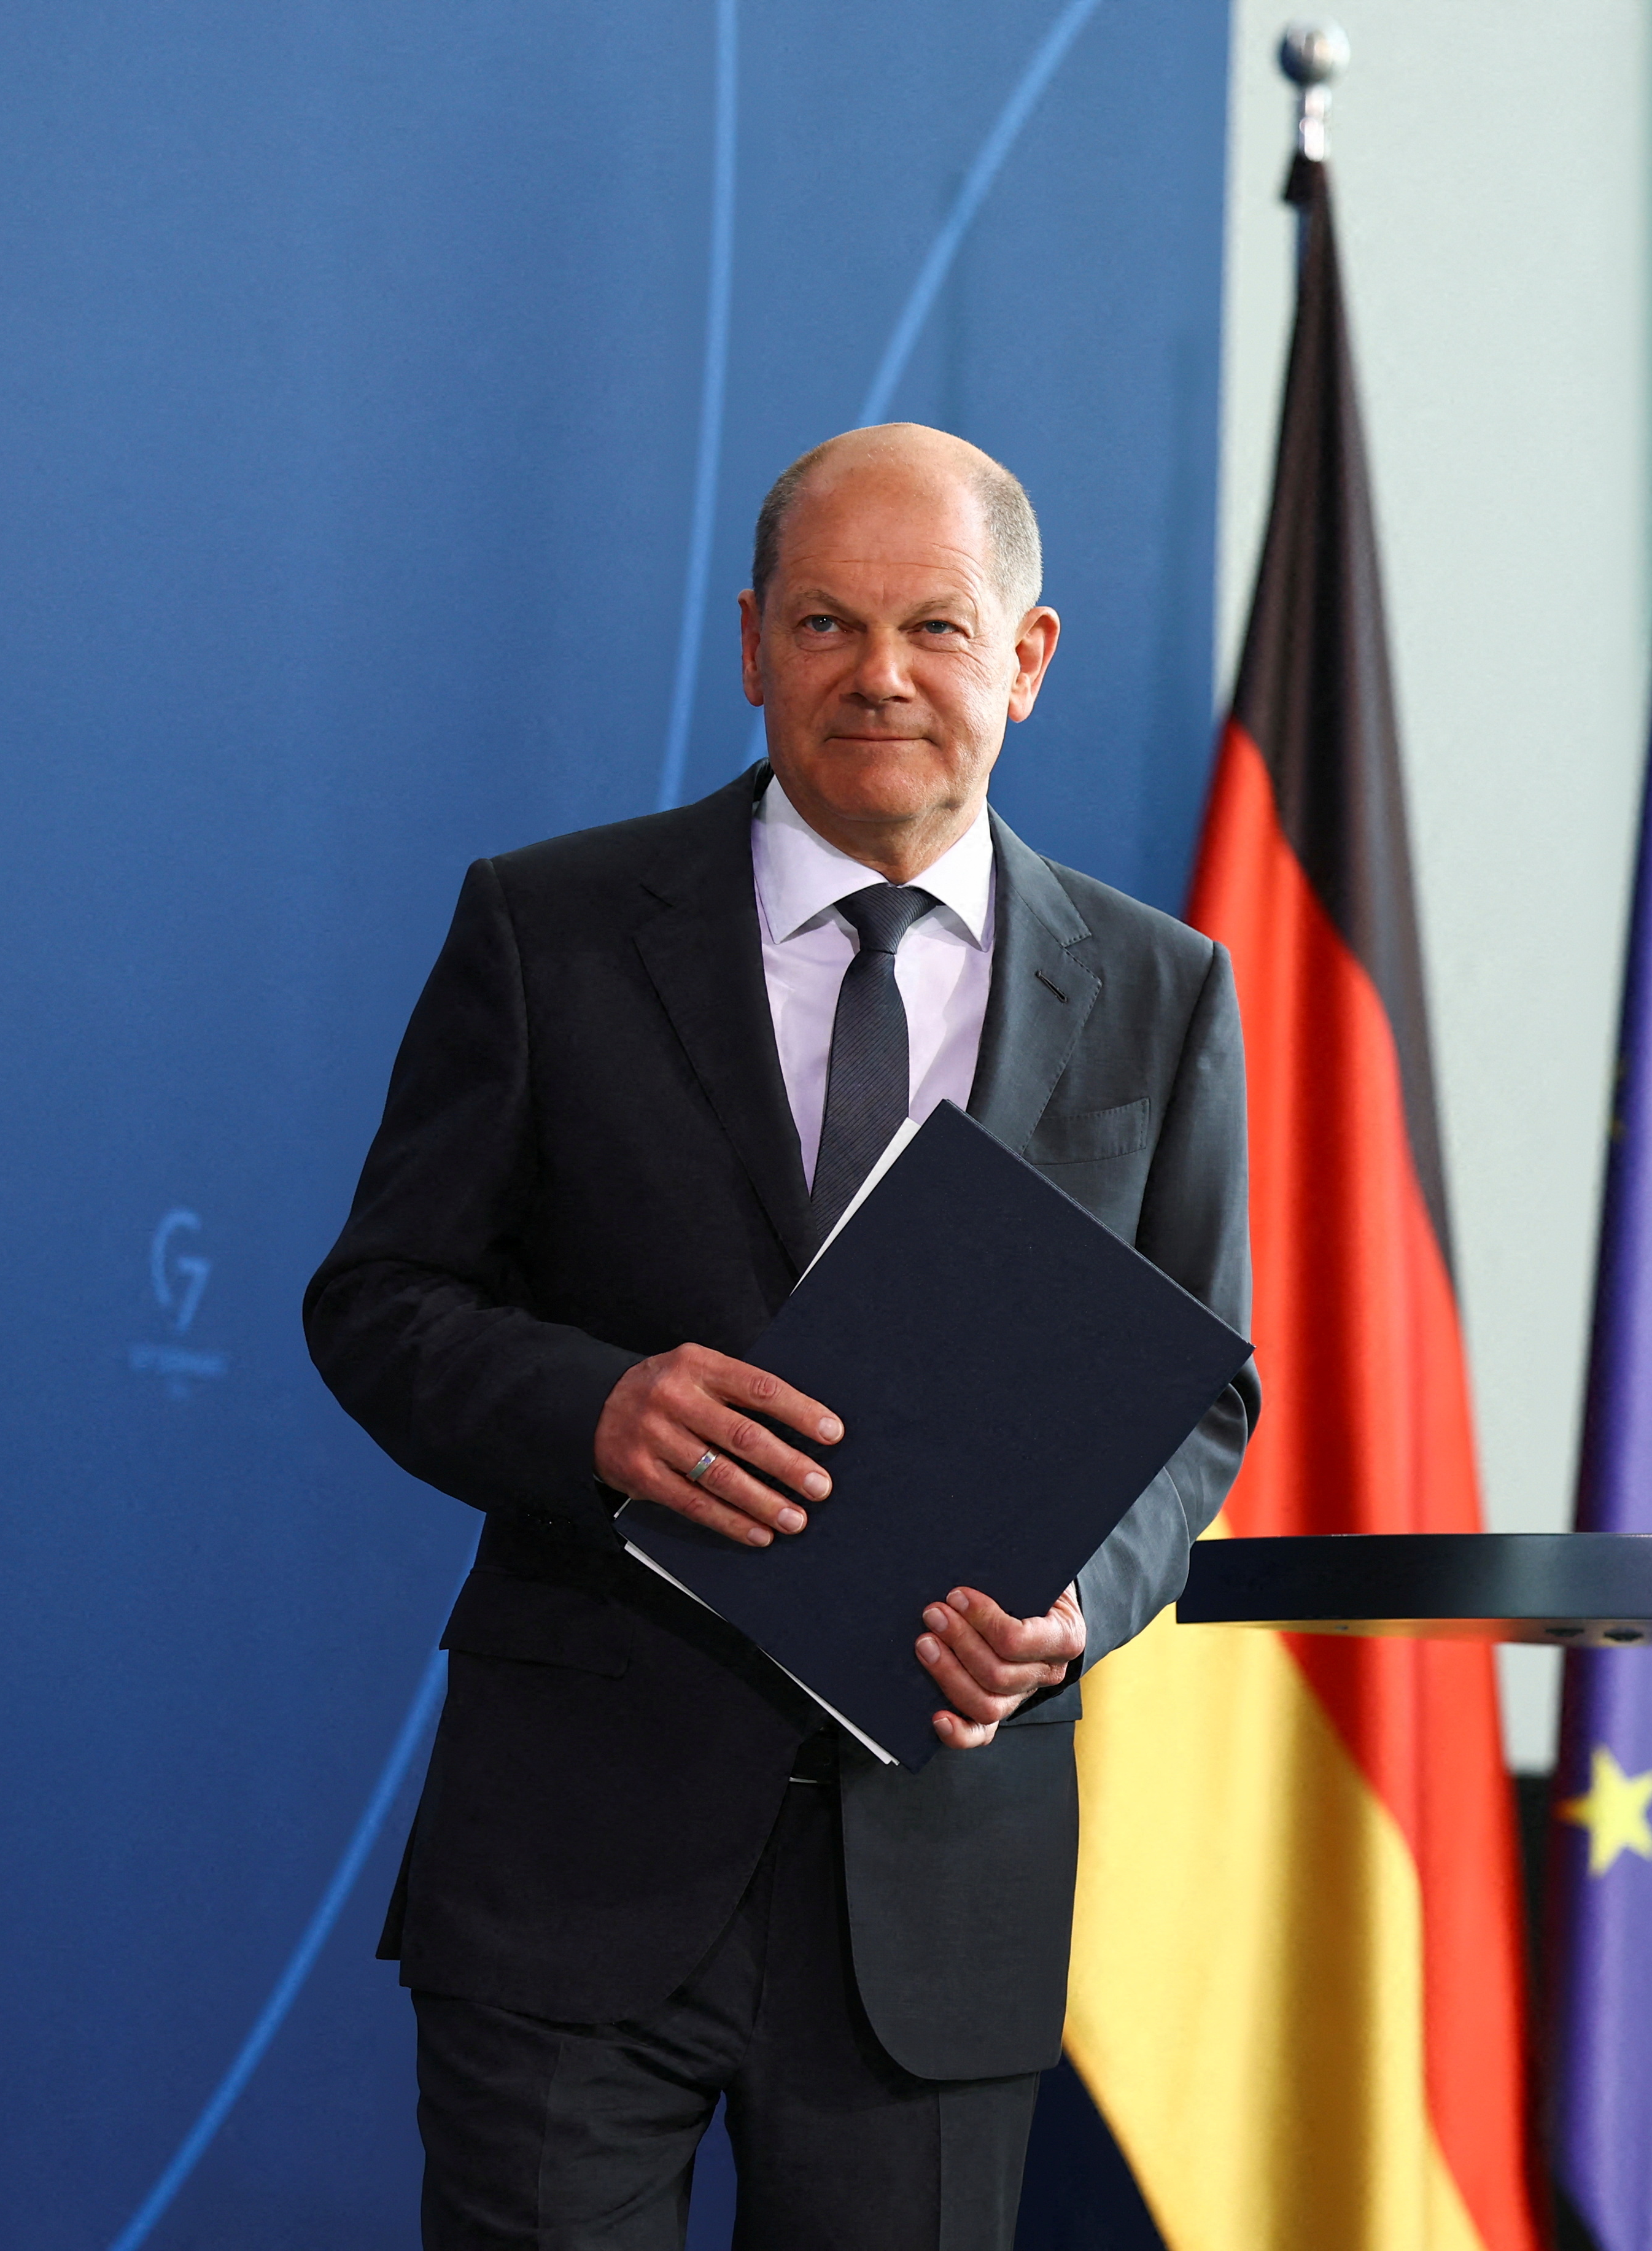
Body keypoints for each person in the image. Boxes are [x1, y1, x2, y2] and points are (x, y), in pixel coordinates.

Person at [304, 422, 1257, 2251]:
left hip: (938, 1881)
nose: (879, 675)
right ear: (749, 644)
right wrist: (598, 1410)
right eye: (824, 624)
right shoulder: (550, 926)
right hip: (577, 1857)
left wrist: (1078, 1610)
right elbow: (379, 1302)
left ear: (1027, 657)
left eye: (935, 628)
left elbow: (1198, 1393)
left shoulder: (1156, 986)